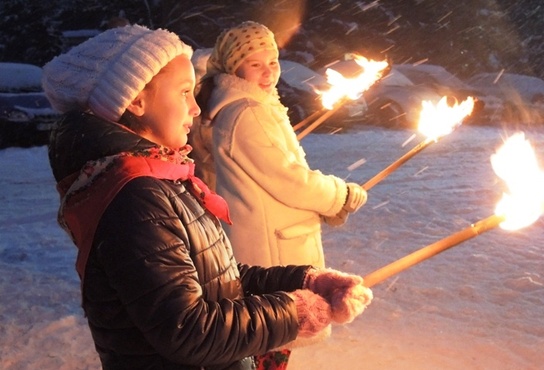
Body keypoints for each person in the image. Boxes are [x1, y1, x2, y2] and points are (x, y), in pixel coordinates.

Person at [42, 24, 372, 370]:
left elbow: (214, 279)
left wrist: (303, 280)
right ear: (136, 100)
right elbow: (189, 330)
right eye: (184, 92)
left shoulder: (159, 177)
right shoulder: (135, 197)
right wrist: (293, 311)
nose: (196, 108)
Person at [188, 21, 370, 369]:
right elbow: (288, 179)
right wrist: (340, 194)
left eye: (272, 61)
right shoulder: (247, 112)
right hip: (270, 246)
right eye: (255, 63)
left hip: (264, 237)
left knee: (263, 340)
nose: (268, 71)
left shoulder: (246, 106)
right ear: (233, 67)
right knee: (270, 339)